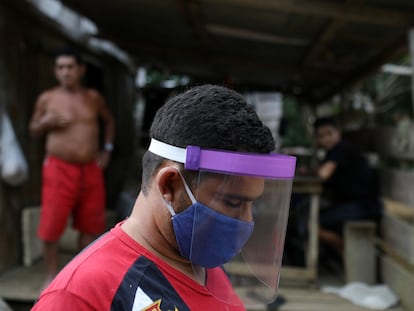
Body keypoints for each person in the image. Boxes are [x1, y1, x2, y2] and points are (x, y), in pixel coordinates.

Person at [31, 84, 296, 310]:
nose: (246, 221)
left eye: (252, 204)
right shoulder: (82, 295)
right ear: (169, 185)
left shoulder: (203, 262)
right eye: (233, 202)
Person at [29, 46, 115, 287]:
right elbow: (33, 128)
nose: (65, 72)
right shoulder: (47, 98)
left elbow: (109, 122)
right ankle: (51, 274)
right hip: (59, 169)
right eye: (60, 67)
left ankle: (79, 275)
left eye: (69, 67)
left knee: (90, 224)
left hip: (90, 169)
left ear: (81, 70)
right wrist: (45, 122)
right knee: (51, 224)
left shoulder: (93, 98)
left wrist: (106, 149)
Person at [313, 116, 382, 258]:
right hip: (357, 205)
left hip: (362, 207)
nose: (326, 139)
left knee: (311, 224)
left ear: (338, 132)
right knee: (317, 217)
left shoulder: (341, 149)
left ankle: (352, 253)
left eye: (329, 133)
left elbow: (323, 175)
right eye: (321, 136)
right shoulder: (336, 151)